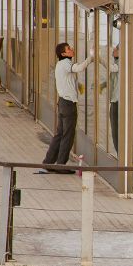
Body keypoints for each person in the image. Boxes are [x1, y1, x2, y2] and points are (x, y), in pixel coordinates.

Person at [39, 43, 93, 174]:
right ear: (63, 54)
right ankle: (61, 165)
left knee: (59, 135)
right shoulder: (66, 63)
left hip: (62, 102)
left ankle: (48, 162)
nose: (72, 50)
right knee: (68, 136)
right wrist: (91, 57)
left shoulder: (60, 65)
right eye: (68, 49)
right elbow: (79, 68)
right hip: (68, 104)